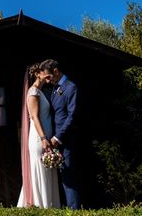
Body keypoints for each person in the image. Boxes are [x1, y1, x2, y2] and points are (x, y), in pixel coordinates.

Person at [16, 63, 61, 208]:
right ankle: (39, 205)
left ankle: (50, 204)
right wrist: (43, 138)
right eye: (47, 76)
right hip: (38, 138)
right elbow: (34, 117)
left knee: (48, 169)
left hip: (46, 135)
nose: (49, 79)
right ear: (38, 74)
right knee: (40, 169)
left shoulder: (41, 91)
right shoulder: (33, 92)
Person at [39, 58, 81, 209]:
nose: (48, 81)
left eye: (49, 77)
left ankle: (74, 210)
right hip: (56, 138)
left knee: (69, 177)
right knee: (63, 176)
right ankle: (67, 207)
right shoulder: (56, 88)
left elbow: (72, 116)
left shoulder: (71, 87)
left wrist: (58, 136)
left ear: (56, 71)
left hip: (66, 138)